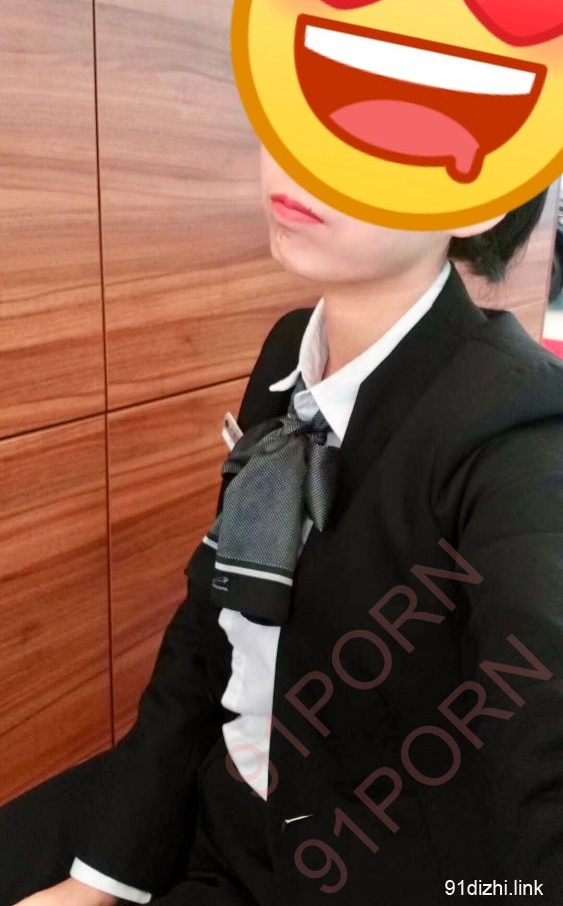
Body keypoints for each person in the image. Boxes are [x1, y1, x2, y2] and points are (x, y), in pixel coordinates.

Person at [1, 145, 562, 906]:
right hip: (212, 795)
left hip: (357, 859)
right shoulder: (289, 349)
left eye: (375, 130)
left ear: (479, 195)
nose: (305, 162)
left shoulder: (517, 429)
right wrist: (98, 879)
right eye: (295, 117)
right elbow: (211, 625)